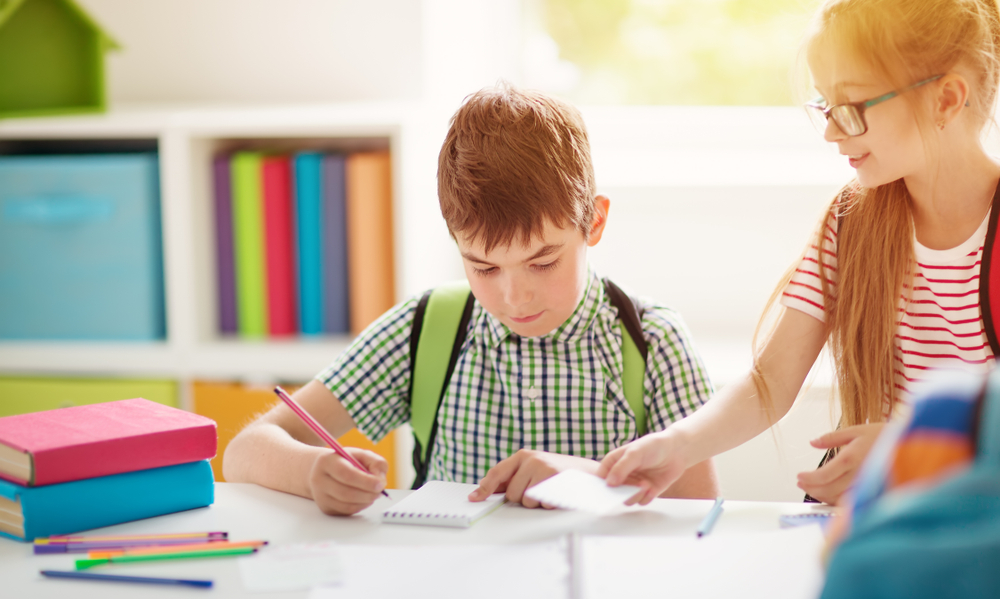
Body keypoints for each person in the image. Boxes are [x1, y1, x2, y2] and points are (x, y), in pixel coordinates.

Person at [224, 83, 719, 515]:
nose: (513, 295)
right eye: (483, 267)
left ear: (594, 221)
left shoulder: (651, 341)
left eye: (543, 262)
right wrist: (313, 471)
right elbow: (244, 452)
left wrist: (591, 479)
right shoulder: (426, 327)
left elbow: (699, 515)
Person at [599, 0, 1000, 506]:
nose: (832, 131)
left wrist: (911, 444)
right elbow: (770, 382)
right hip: (882, 512)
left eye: (852, 109)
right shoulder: (851, 222)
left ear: (946, 100)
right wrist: (678, 445)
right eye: (825, 108)